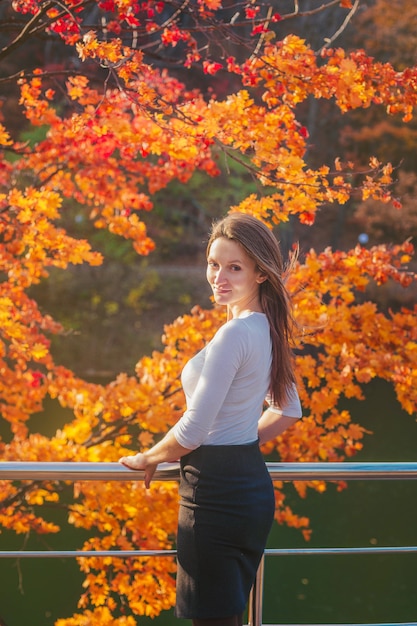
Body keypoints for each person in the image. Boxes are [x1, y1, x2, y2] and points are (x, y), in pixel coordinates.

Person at [119, 212, 302, 626]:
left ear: (259, 274)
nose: (219, 276)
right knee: (225, 616)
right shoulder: (265, 328)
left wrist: (149, 456)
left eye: (234, 267)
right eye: (214, 264)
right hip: (247, 484)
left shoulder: (236, 334)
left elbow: (194, 430)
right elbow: (288, 410)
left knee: (213, 619)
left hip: (214, 493)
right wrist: (238, 440)